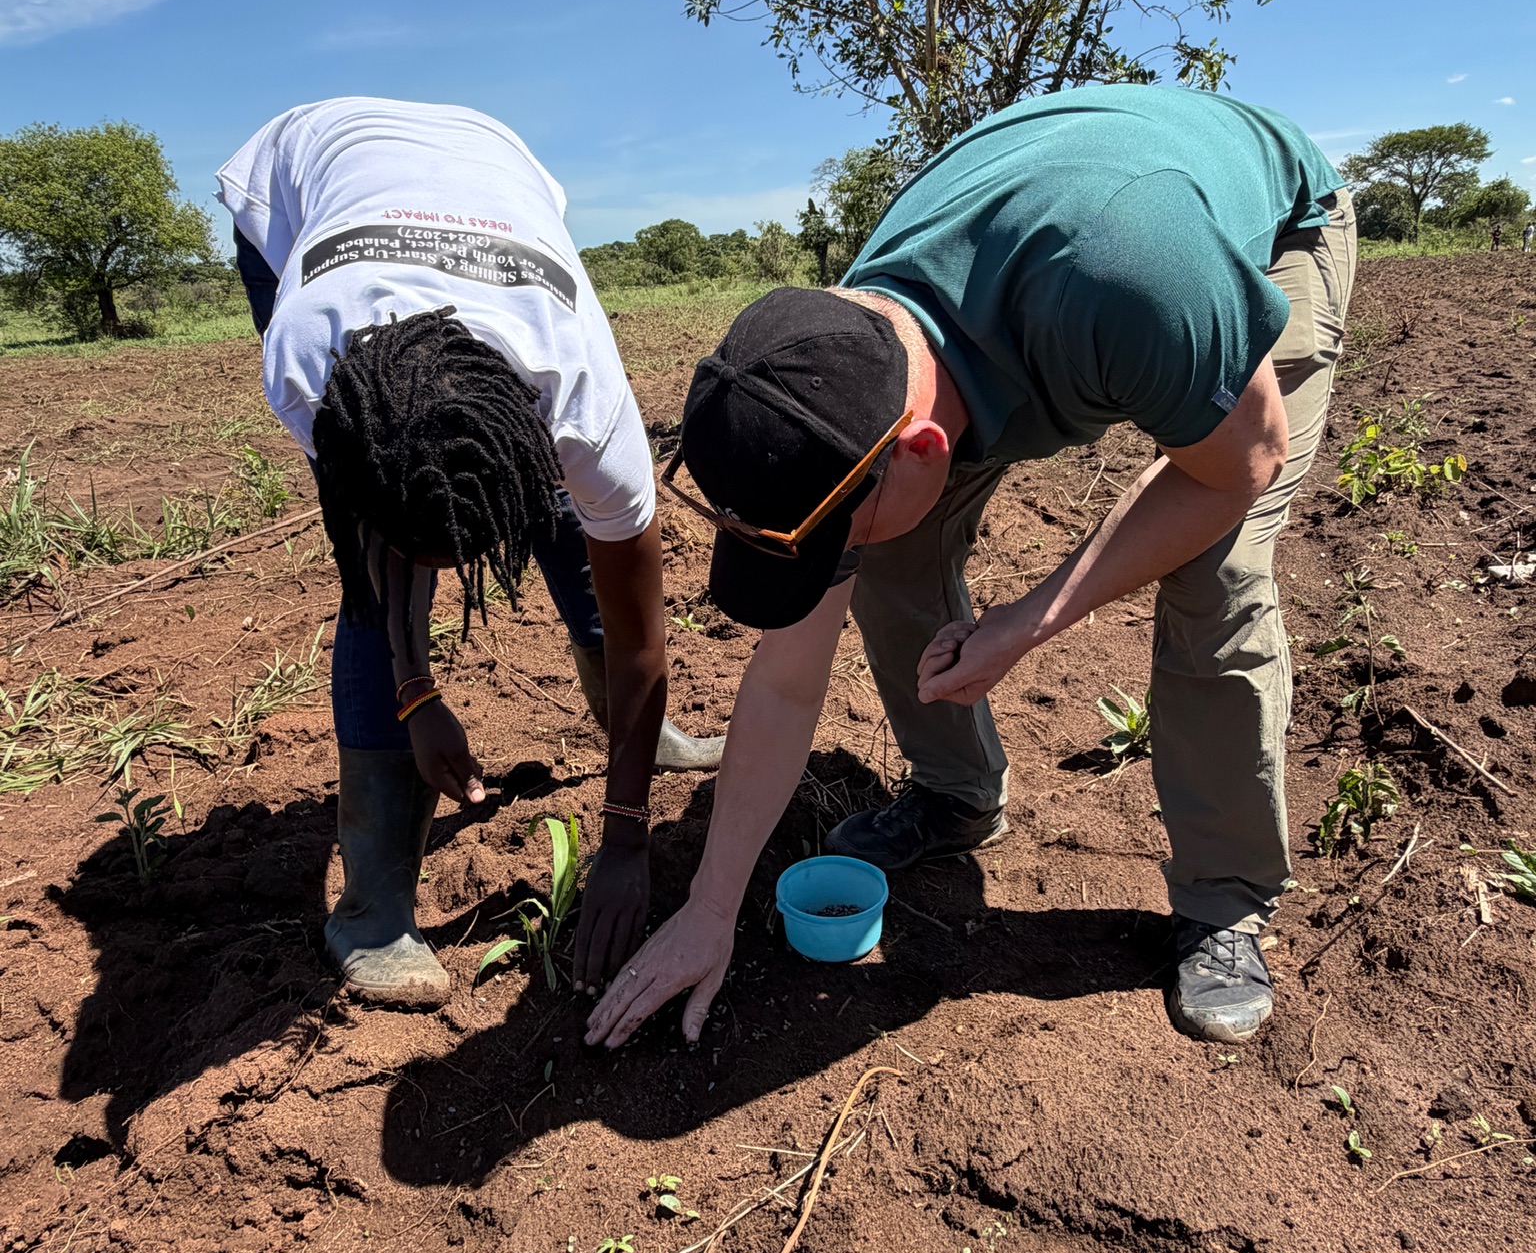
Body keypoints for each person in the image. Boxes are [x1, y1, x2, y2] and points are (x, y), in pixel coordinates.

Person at [584, 85, 1355, 1054]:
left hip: (1255, 240)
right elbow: (786, 675)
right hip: (1071, 257)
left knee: (1214, 567)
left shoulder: (1134, 280)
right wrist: (710, 906)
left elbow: (1244, 463)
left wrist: (1028, 620)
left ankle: (1226, 899)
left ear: (921, 450)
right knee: (889, 550)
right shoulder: (840, 360)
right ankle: (957, 794)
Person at [217, 97, 722, 1009]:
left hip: (494, 168)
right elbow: (381, 544)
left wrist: (627, 837)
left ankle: (638, 733)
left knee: (568, 516)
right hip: (301, 183)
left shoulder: (585, 405)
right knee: (377, 555)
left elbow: (643, 633)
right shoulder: (307, 359)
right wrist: (416, 691)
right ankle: (373, 908)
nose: (451, 570)